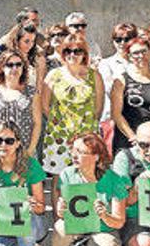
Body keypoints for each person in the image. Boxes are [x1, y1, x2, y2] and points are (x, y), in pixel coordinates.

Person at [49, 132, 126, 246]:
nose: (74, 156)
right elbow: (63, 213)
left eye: (81, 152)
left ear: (96, 157)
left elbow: (119, 221)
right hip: (77, 226)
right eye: (73, 150)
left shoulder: (114, 179)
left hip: (103, 229)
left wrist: (105, 215)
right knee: (60, 226)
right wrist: (61, 210)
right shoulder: (67, 174)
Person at [42, 35, 104, 177]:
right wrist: (59, 125)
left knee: (88, 176)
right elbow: (45, 106)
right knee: (60, 180)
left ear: (84, 54)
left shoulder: (95, 76)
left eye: (77, 51)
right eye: (67, 51)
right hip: (59, 136)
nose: (72, 55)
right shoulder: (53, 75)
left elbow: (98, 108)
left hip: (86, 137)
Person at [110, 37, 150, 152]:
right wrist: (134, 138)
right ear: (129, 56)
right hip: (128, 140)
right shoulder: (121, 81)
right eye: (135, 53)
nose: (141, 56)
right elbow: (117, 115)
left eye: (144, 51)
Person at [0, 50, 41, 160]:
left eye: (18, 64)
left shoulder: (32, 92)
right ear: (2, 68)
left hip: (24, 151)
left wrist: (30, 150)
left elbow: (37, 123)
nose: (15, 68)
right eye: (10, 65)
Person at [98, 23, 139, 153]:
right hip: (113, 119)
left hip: (138, 116)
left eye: (127, 39)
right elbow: (110, 89)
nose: (122, 43)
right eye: (118, 39)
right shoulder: (106, 63)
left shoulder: (141, 61)